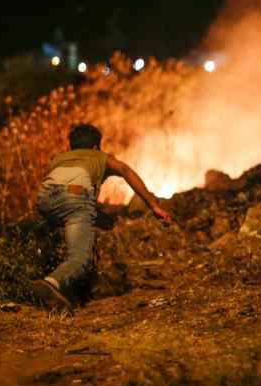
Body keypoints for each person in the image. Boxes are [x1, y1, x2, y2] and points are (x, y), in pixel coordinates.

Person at [31, 123, 172, 309]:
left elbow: (62, 198)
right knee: (80, 259)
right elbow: (125, 171)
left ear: (71, 146)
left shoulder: (59, 159)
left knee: (68, 224)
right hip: (76, 197)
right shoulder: (100, 156)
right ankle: (50, 283)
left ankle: (38, 271)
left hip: (44, 199)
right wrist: (154, 205)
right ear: (96, 147)